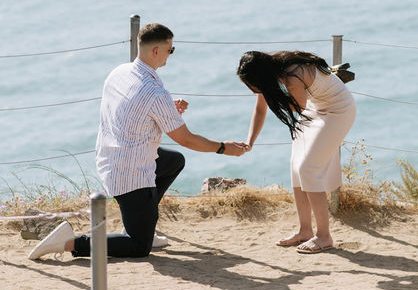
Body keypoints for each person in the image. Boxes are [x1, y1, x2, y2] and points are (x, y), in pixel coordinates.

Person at [29, 23, 247, 260]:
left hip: (110, 158)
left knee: (173, 161)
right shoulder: (154, 92)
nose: (170, 55)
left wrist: (168, 111)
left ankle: (144, 221)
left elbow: (131, 111)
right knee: (138, 246)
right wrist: (223, 148)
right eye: (170, 50)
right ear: (156, 51)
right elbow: (186, 139)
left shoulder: (120, 72)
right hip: (130, 173)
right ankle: (71, 243)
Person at [237, 50, 356, 254]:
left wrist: (270, 93)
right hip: (315, 108)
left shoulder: (293, 76)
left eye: (251, 84)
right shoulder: (275, 69)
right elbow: (260, 110)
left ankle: (324, 236)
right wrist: (250, 141)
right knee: (296, 166)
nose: (251, 89)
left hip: (338, 111)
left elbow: (298, 106)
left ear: (261, 76)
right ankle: (305, 230)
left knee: (308, 168)